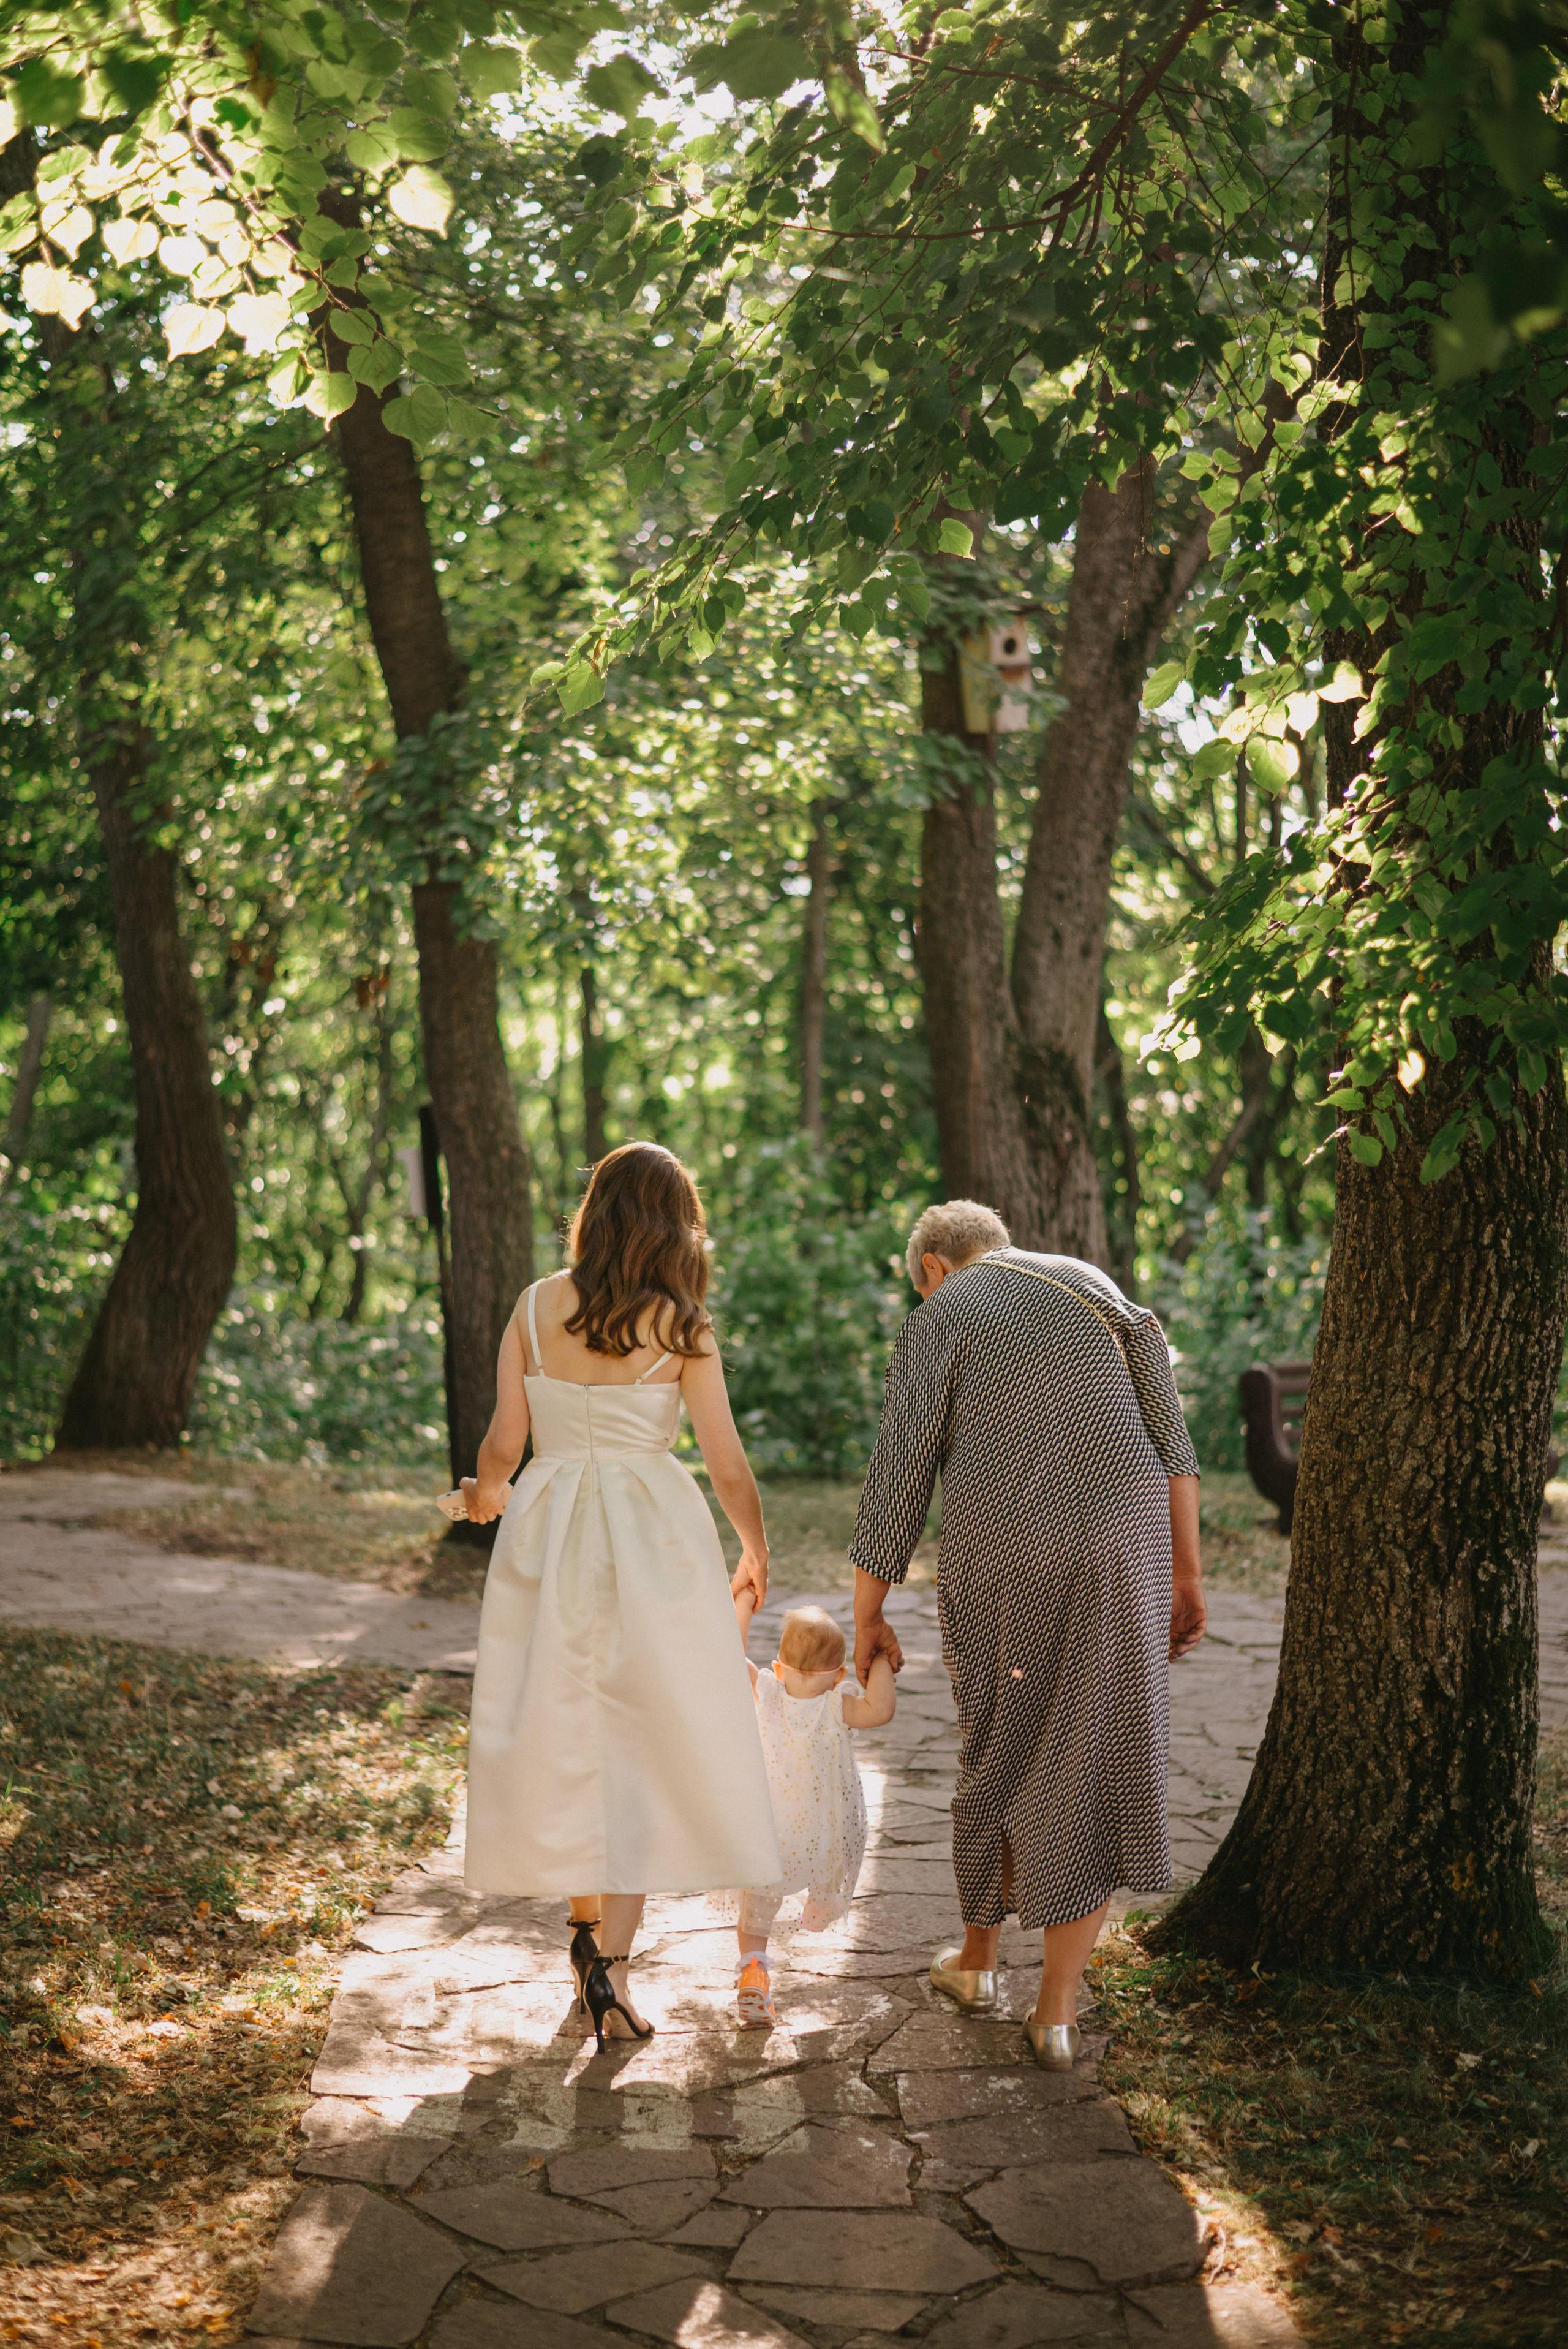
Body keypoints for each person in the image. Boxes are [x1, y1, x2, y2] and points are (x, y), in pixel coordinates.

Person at [850, 1200, 1204, 2069]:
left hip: (1007, 1551)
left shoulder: (944, 1313)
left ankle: (976, 1963)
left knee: (1002, 1744)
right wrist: (1188, 1575)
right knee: (1091, 1752)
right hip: (1130, 1548)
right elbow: (1175, 1446)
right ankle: (1054, 2015)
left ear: (934, 1266)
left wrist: (868, 1608)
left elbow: (899, 1470)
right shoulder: (1101, 1287)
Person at [459, 1142, 782, 2050]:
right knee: (641, 1731)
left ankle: (582, 1931)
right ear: (675, 1223)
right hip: (653, 1534)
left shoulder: (532, 1306)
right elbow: (724, 1461)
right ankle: (612, 1963)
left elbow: (500, 1447)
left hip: (552, 1527)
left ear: (594, 1213)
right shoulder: (682, 1324)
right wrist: (755, 1544)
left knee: (567, 1721)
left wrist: (484, 1499)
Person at [720, 1599, 896, 2027]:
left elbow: (726, 1655)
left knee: (758, 1904)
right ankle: (819, 1907)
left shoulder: (767, 1691)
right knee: (825, 1871)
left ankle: (753, 1968)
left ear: (779, 1668)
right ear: (838, 1676)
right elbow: (881, 1710)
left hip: (768, 1829)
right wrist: (881, 1662)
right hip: (818, 1834)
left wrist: (740, 1604)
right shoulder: (838, 1705)